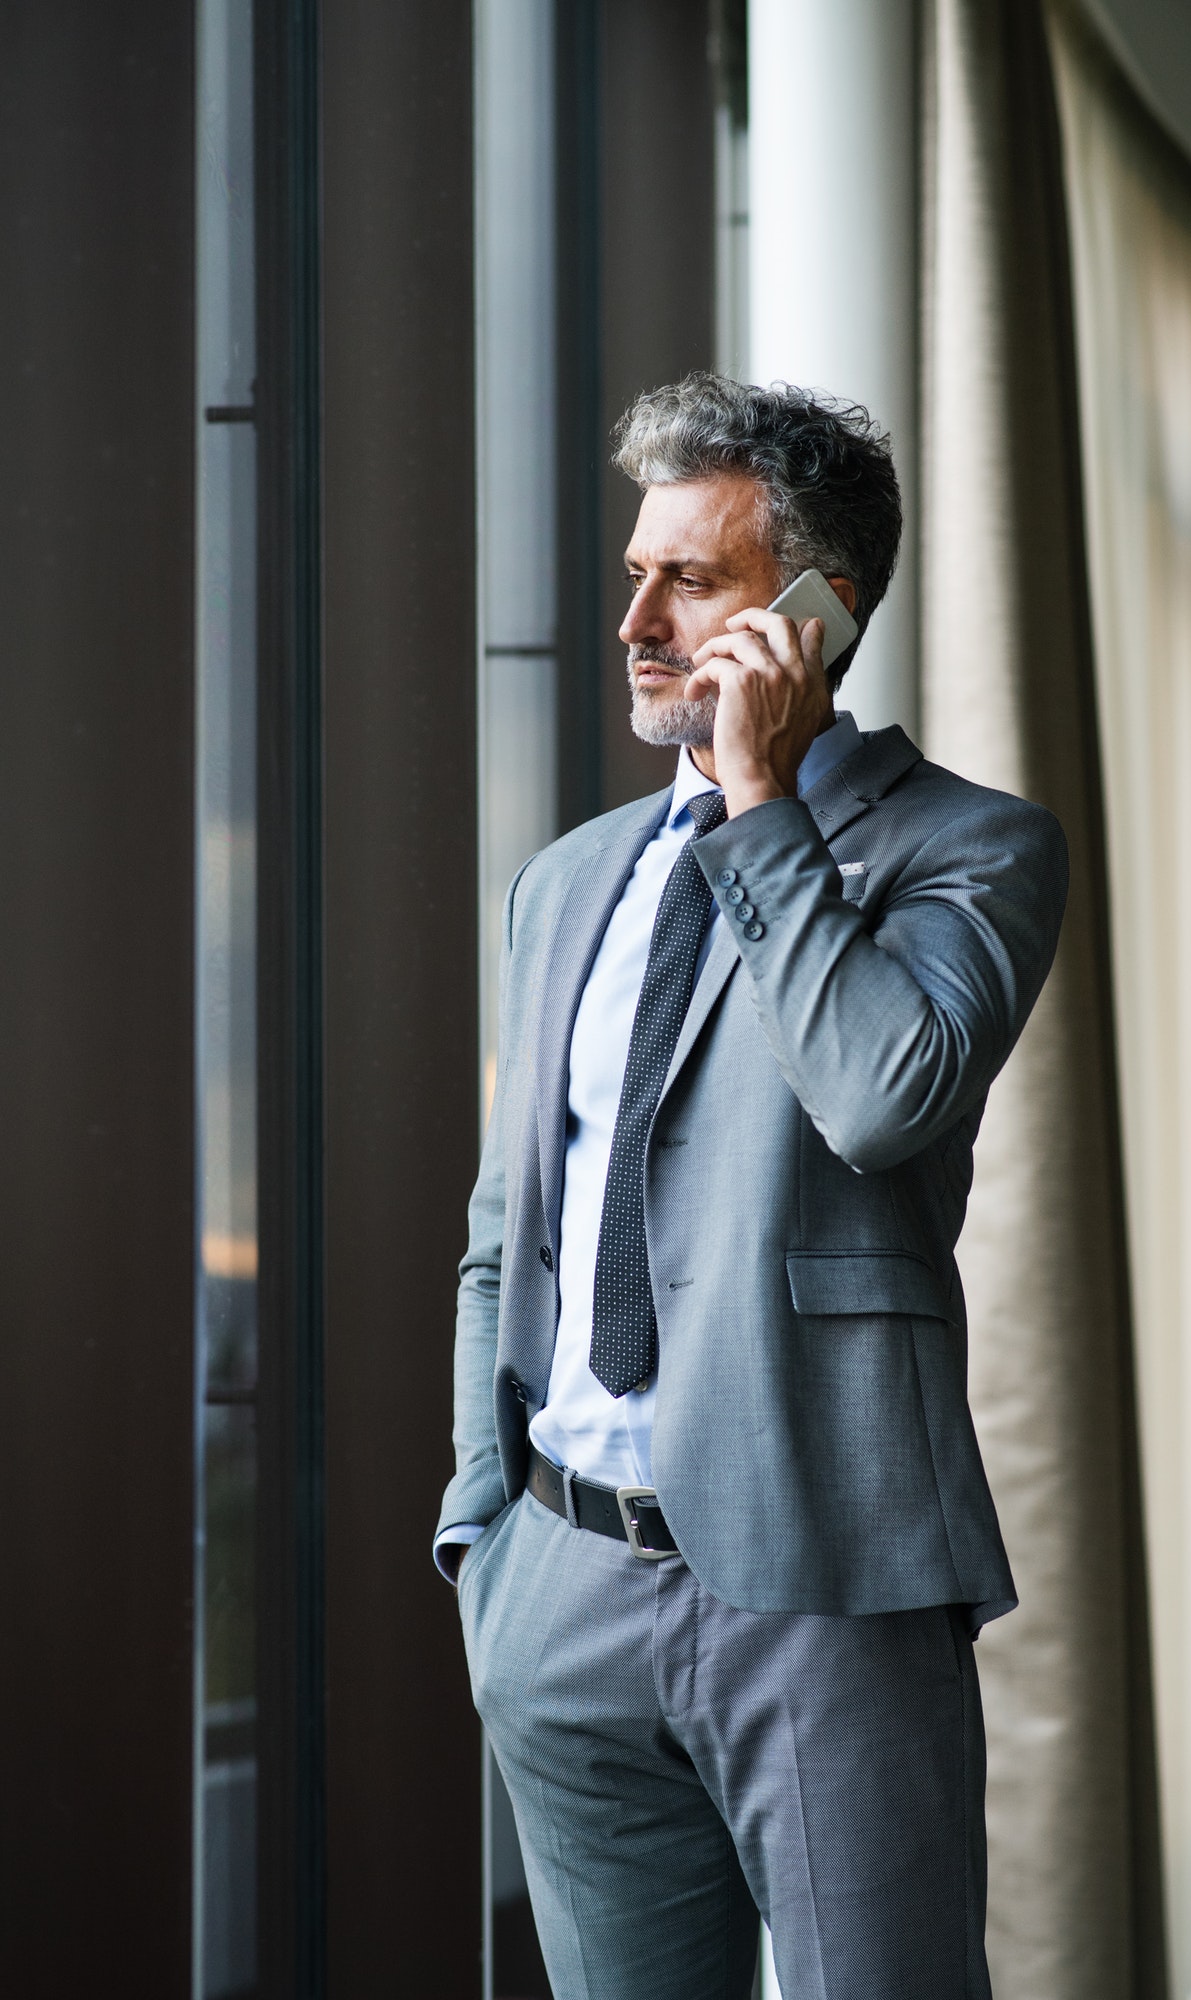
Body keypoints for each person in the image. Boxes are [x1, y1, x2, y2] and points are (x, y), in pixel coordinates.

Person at [435, 373, 1068, 2000]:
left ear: (814, 614)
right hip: (558, 1592)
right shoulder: (568, 881)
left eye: (693, 581)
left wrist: (761, 805)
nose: (638, 617)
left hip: (827, 1591)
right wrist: (481, 1538)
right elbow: (510, 1235)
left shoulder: (973, 848)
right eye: (637, 571)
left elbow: (882, 1098)